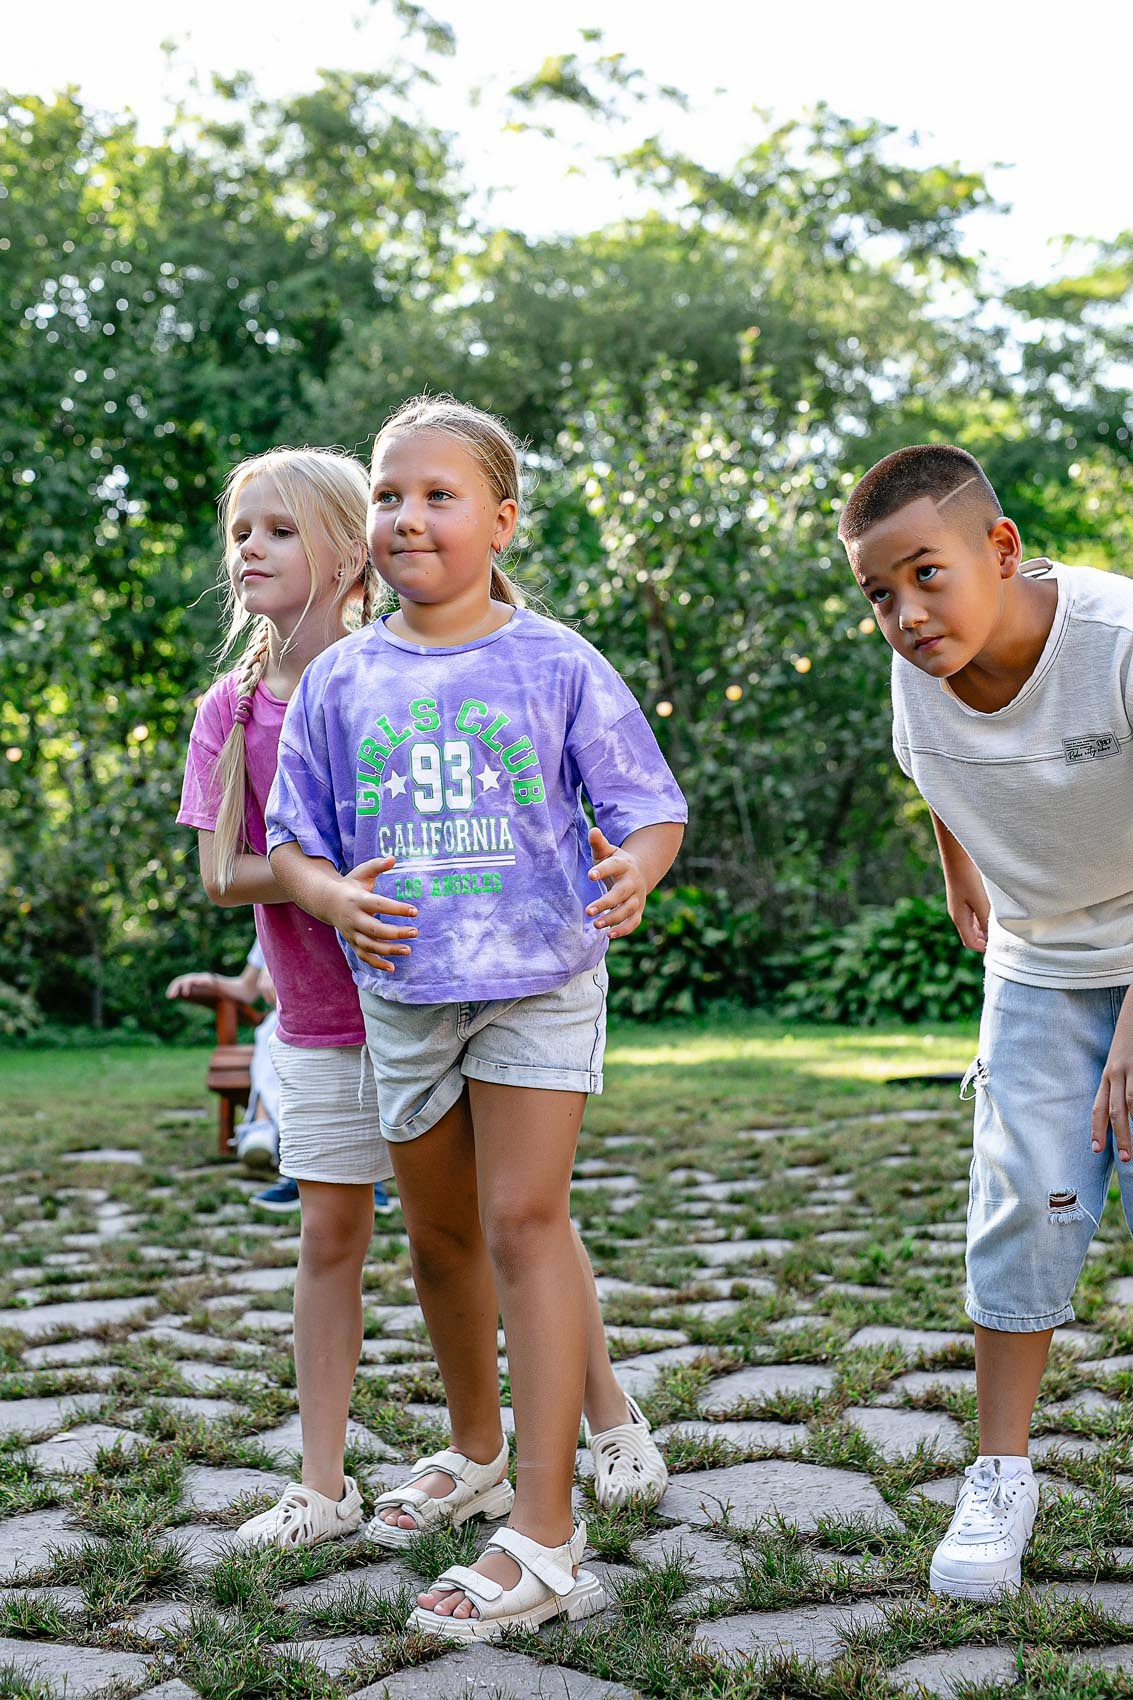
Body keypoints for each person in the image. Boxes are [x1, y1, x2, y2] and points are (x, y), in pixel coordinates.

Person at [180, 439, 669, 1563]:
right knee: (414, 1235)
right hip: (366, 1001)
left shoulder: (529, 659)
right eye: (389, 494)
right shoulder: (295, 694)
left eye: (433, 495)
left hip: (511, 984)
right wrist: (326, 890)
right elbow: (260, 854)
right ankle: (417, 1460)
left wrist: (625, 864)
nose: (406, 514)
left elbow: (623, 803)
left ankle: (577, 1465)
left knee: (524, 1222)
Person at [839, 442, 1133, 1601]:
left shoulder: (1113, 639)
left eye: (923, 574)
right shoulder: (918, 667)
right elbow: (935, 768)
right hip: (1041, 958)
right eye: (875, 592)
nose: (903, 614)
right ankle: (998, 1472)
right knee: (1021, 1202)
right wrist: (959, 862)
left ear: (999, 549)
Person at [167, 943, 390, 1214]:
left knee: (295, 1036)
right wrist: (209, 980)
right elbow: (247, 989)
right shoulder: (269, 913)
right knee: (276, 1033)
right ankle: (296, 1168)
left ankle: (268, 1133)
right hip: (295, 1023)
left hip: (352, 1011)